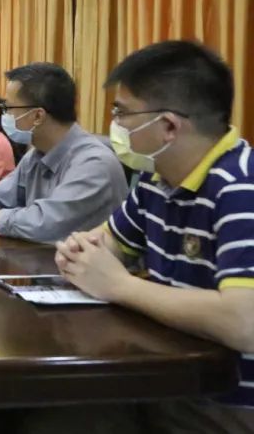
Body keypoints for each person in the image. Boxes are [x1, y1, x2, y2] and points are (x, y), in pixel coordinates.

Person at [37, 41, 254, 433]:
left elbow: (244, 322)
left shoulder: (240, 188)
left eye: (122, 113)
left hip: (224, 404)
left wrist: (120, 286)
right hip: (165, 378)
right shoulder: (156, 180)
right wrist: (79, 253)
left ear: (169, 126)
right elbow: (105, 243)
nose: (115, 126)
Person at [0, 62, 127, 244]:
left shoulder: (93, 163)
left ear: (37, 116)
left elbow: (43, 223)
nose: (4, 115)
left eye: (8, 108)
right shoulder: (37, 155)